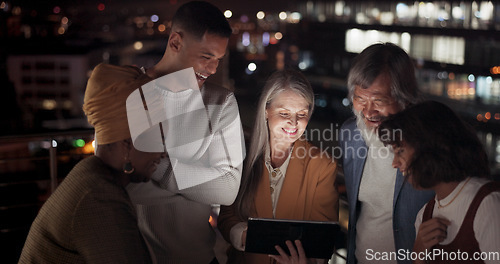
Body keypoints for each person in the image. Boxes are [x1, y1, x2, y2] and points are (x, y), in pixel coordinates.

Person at [85, 1, 244, 263]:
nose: (213, 69)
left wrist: (155, 169)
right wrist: (197, 179)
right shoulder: (129, 93)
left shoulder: (220, 101)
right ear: (175, 42)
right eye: (206, 56)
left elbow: (227, 190)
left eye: (218, 59)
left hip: (198, 258)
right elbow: (113, 183)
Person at [18, 62, 165, 263]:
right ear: (127, 144)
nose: (163, 151)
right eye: (156, 138)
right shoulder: (99, 198)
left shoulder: (92, 177)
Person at [218, 69, 339, 264]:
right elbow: (226, 215)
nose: (294, 123)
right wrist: (241, 235)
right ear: (266, 110)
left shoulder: (322, 165)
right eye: (284, 113)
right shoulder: (241, 155)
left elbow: (323, 237)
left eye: (302, 114)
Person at [338, 42, 434, 264]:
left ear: (405, 98)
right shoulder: (350, 133)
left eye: (379, 101)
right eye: (360, 99)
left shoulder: (431, 139)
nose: (369, 111)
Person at [378, 100, 500, 264]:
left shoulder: (487, 204)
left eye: (400, 151)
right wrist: (418, 254)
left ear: (429, 147)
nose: (395, 163)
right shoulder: (425, 214)